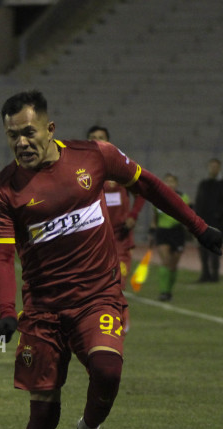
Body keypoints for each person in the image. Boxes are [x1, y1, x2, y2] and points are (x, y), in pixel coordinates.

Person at [0, 91, 222, 429]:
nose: (21, 142)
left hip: (97, 297)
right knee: (43, 408)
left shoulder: (94, 157)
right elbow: (1, 254)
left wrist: (198, 226)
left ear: (49, 129)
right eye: (12, 135)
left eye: (28, 132)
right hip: (43, 310)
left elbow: (148, 185)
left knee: (108, 370)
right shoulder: (4, 191)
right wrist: (6, 310)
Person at [86, 126, 145, 329]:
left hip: (119, 239)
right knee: (96, 288)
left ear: (109, 141)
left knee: (117, 284)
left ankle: (120, 323)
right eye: (92, 138)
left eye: (101, 138)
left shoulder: (120, 166)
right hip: (93, 242)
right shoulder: (82, 171)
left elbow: (142, 191)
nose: (97, 141)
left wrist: (133, 216)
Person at [195, 158, 223, 282]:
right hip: (203, 221)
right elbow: (199, 201)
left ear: (219, 168)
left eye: (215, 167)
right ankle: (205, 274)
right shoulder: (204, 184)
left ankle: (215, 275)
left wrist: (222, 213)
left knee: (215, 249)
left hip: (218, 222)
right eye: (211, 166)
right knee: (203, 249)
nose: (213, 169)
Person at [152, 174, 190, 302]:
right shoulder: (157, 198)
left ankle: (169, 291)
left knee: (173, 265)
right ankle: (164, 292)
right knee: (166, 261)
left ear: (176, 184)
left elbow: (189, 215)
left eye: (172, 181)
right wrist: (152, 231)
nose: (169, 184)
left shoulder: (183, 197)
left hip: (177, 232)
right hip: (163, 232)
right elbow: (155, 217)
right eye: (167, 181)